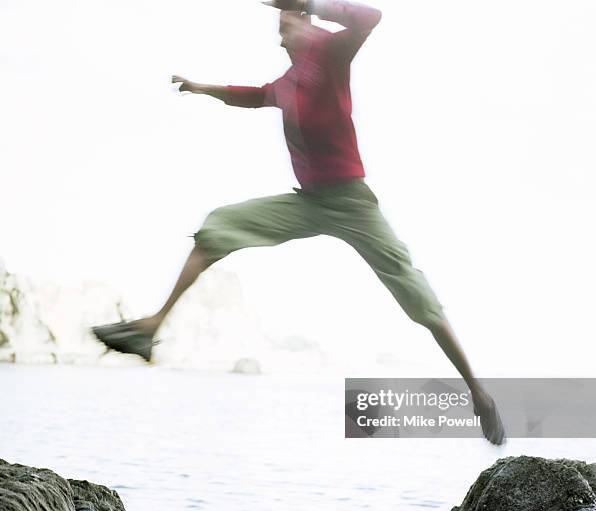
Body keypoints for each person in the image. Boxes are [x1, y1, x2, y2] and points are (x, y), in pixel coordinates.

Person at [92, 0, 505, 445]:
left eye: (284, 24)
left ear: (305, 21)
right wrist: (200, 87)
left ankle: (478, 395)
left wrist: (306, 3)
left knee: (415, 294)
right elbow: (249, 96)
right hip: (308, 203)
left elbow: (370, 17)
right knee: (217, 228)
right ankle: (150, 329)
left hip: (351, 201)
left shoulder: (330, 54)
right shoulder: (288, 83)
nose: (278, 35)